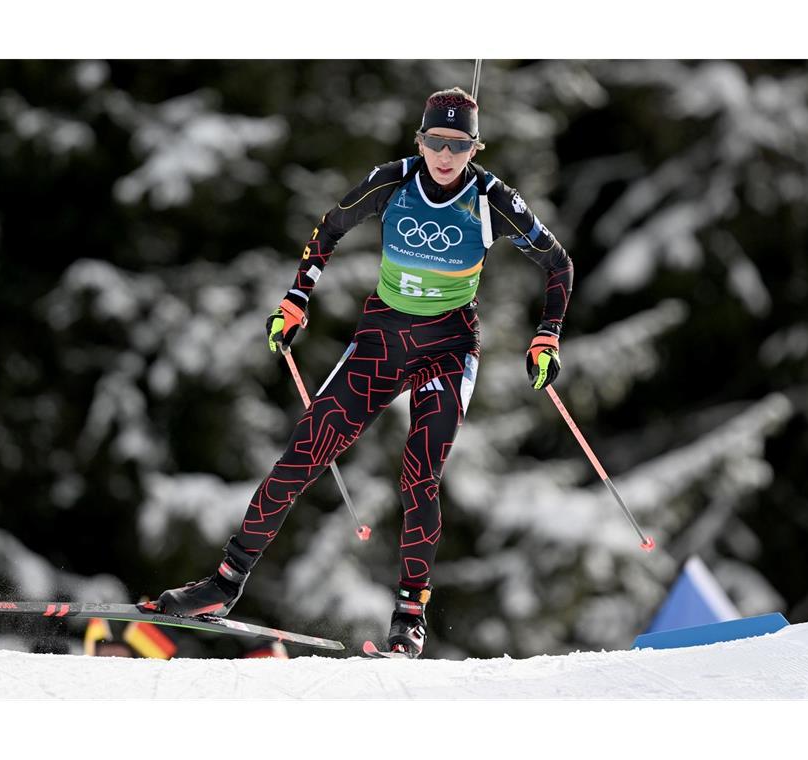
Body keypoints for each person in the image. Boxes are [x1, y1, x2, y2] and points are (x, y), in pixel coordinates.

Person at [152, 87, 574, 658]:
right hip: (381, 342)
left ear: (475, 147)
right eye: (435, 141)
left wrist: (546, 336)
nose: (445, 156)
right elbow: (327, 230)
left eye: (458, 145)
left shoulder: (492, 200)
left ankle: (409, 617)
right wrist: (297, 300)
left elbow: (558, 264)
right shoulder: (391, 180)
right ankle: (223, 584)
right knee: (303, 453)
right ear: (419, 140)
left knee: (418, 476)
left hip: (448, 350)